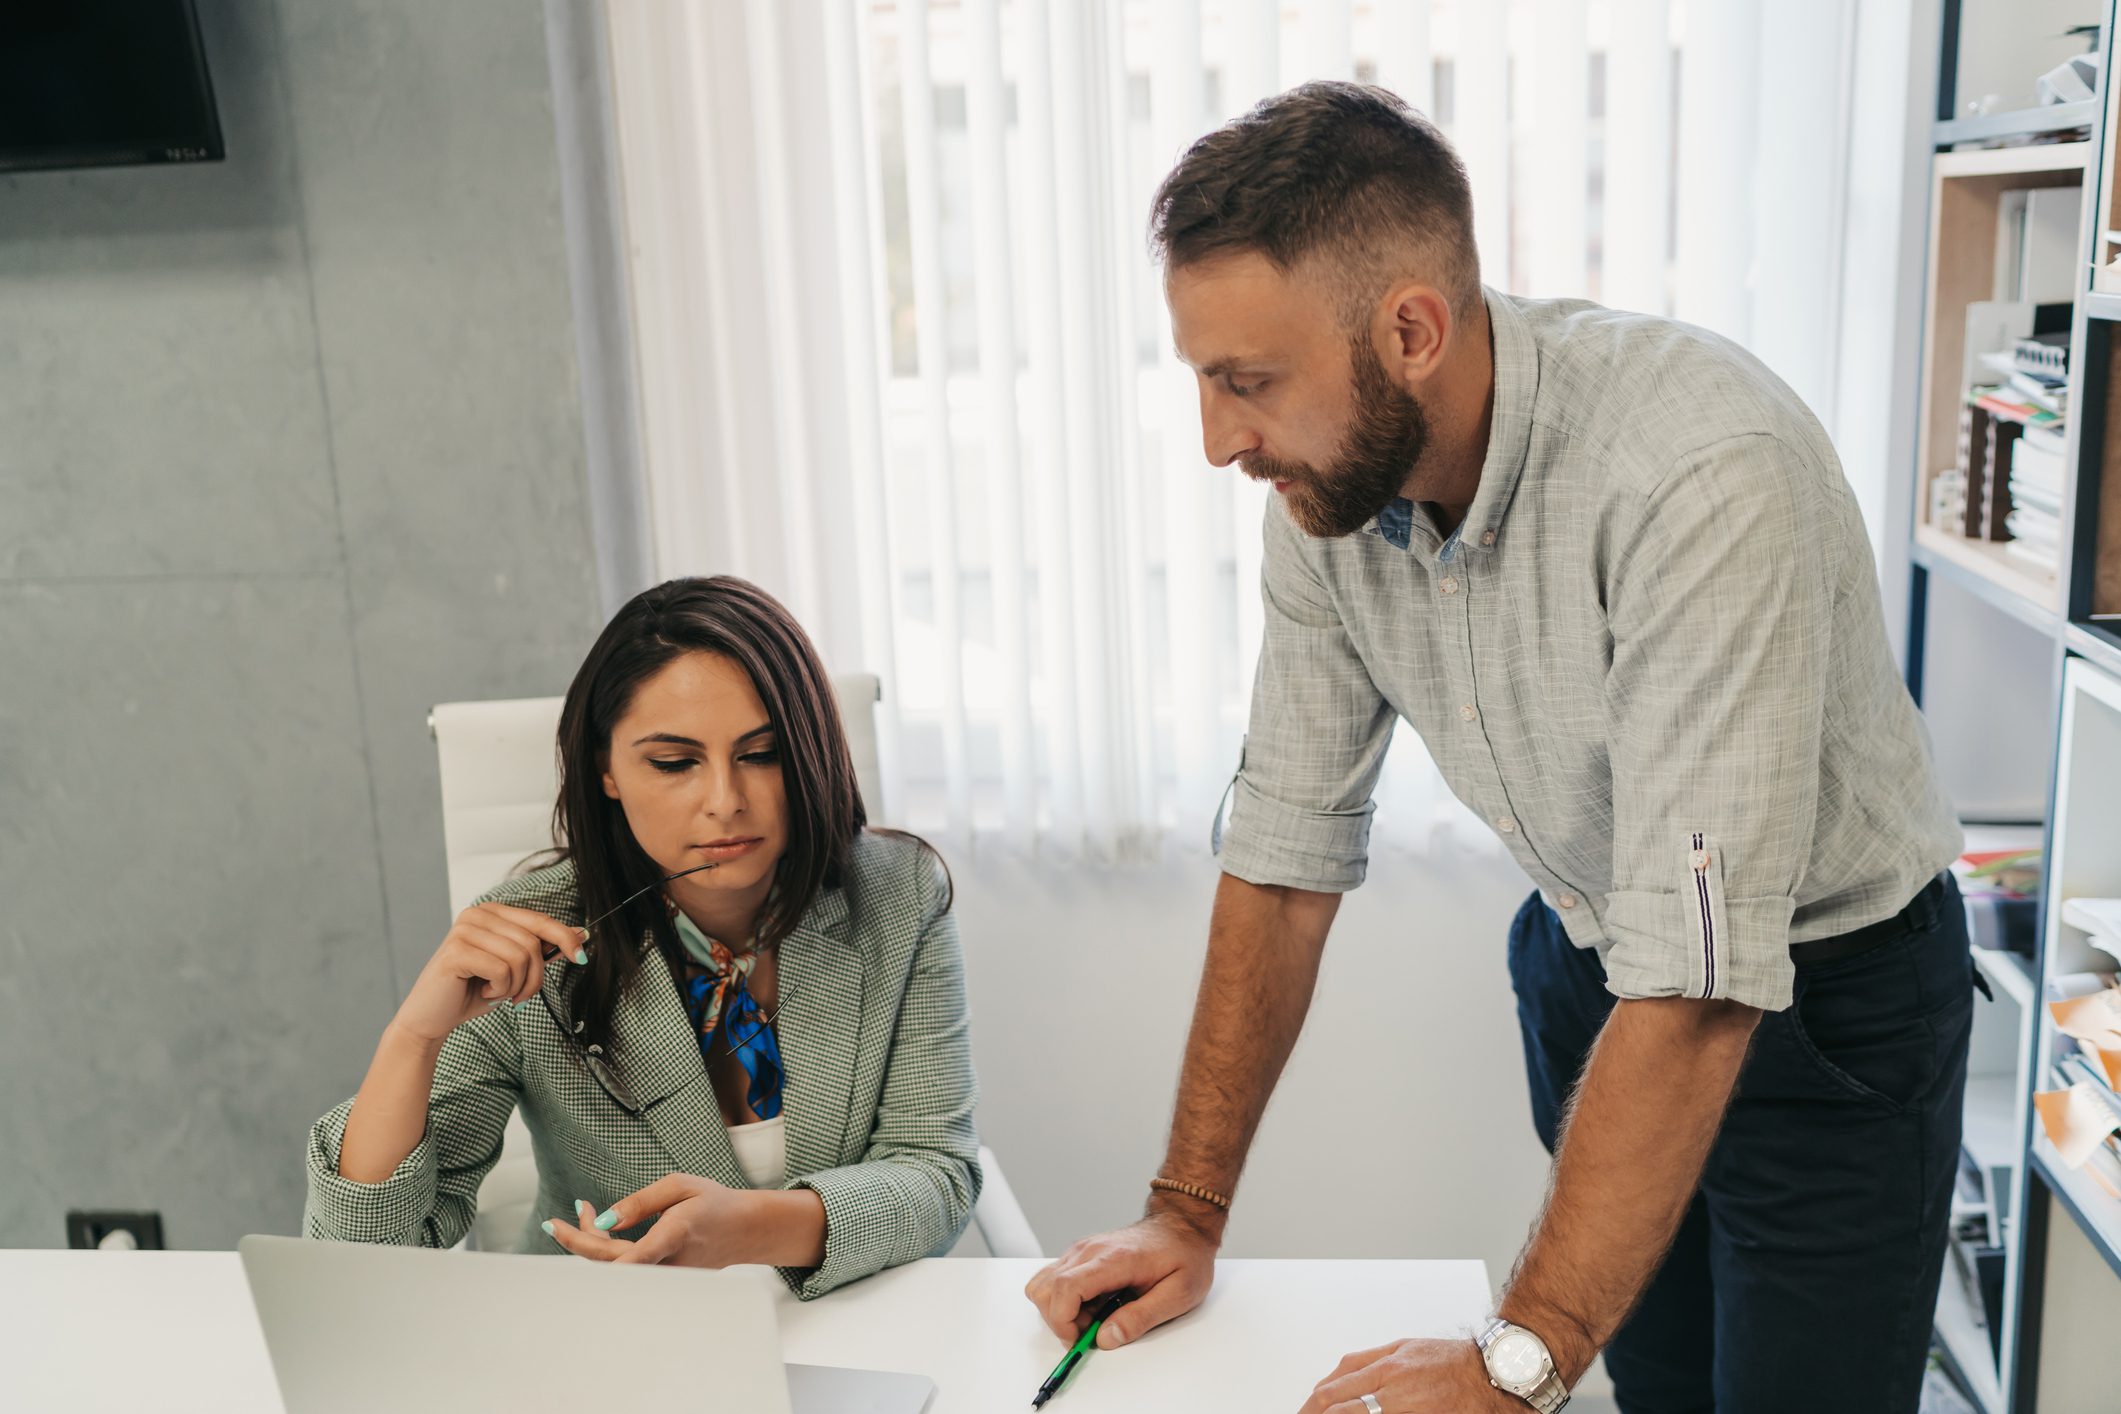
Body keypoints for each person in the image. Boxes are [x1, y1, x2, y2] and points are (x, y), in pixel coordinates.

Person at [1027, 82, 1972, 1414]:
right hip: (1600, 972)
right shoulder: (1322, 501)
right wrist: (1184, 1212)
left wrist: (1510, 1362)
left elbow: (1701, 987)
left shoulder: (1695, 471)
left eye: (1248, 382)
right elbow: (1286, 856)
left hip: (1827, 1010)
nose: (1217, 440)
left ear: (1408, 329)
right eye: (1202, 381)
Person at [304, 575, 979, 1299]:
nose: (725, 801)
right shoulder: (530, 933)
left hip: (852, 1319)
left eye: (761, 753)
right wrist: (411, 1037)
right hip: (611, 1336)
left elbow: (933, 1171)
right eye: (674, 763)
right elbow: (361, 1261)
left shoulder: (898, 893)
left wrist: (752, 1229)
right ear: (607, 772)